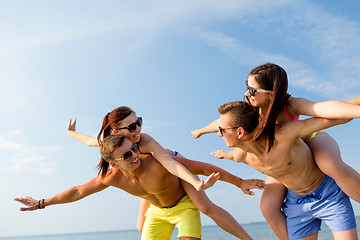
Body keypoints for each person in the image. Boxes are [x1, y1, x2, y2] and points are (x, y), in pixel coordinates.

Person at [192, 62, 360, 239]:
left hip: (308, 138)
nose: (246, 93)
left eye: (253, 90)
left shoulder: (290, 106)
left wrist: (354, 107)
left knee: (329, 164)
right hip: (281, 158)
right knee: (268, 205)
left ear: (271, 93)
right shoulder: (250, 112)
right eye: (246, 86)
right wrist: (203, 132)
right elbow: (225, 123)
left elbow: (324, 111)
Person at [15, 134, 265, 240]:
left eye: (133, 149)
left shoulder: (156, 160)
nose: (133, 156)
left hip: (183, 205)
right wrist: (41, 203)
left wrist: (239, 182)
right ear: (113, 162)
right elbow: (79, 191)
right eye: (125, 156)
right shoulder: (111, 177)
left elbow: (200, 166)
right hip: (156, 213)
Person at [212, 100, 359, 240]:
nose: (219, 134)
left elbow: (332, 119)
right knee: (267, 207)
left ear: (240, 132)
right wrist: (222, 155)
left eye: (222, 130)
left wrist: (354, 106)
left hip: (328, 194)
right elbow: (231, 155)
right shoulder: (241, 155)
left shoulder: (281, 136)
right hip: (297, 204)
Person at [68, 106, 219, 191]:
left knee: (205, 207)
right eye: (132, 127)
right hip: (152, 176)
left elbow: (170, 164)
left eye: (139, 122)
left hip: (172, 159)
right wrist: (70, 133)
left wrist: (196, 183)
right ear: (116, 132)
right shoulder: (113, 143)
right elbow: (88, 141)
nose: (138, 128)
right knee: (140, 225)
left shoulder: (145, 140)